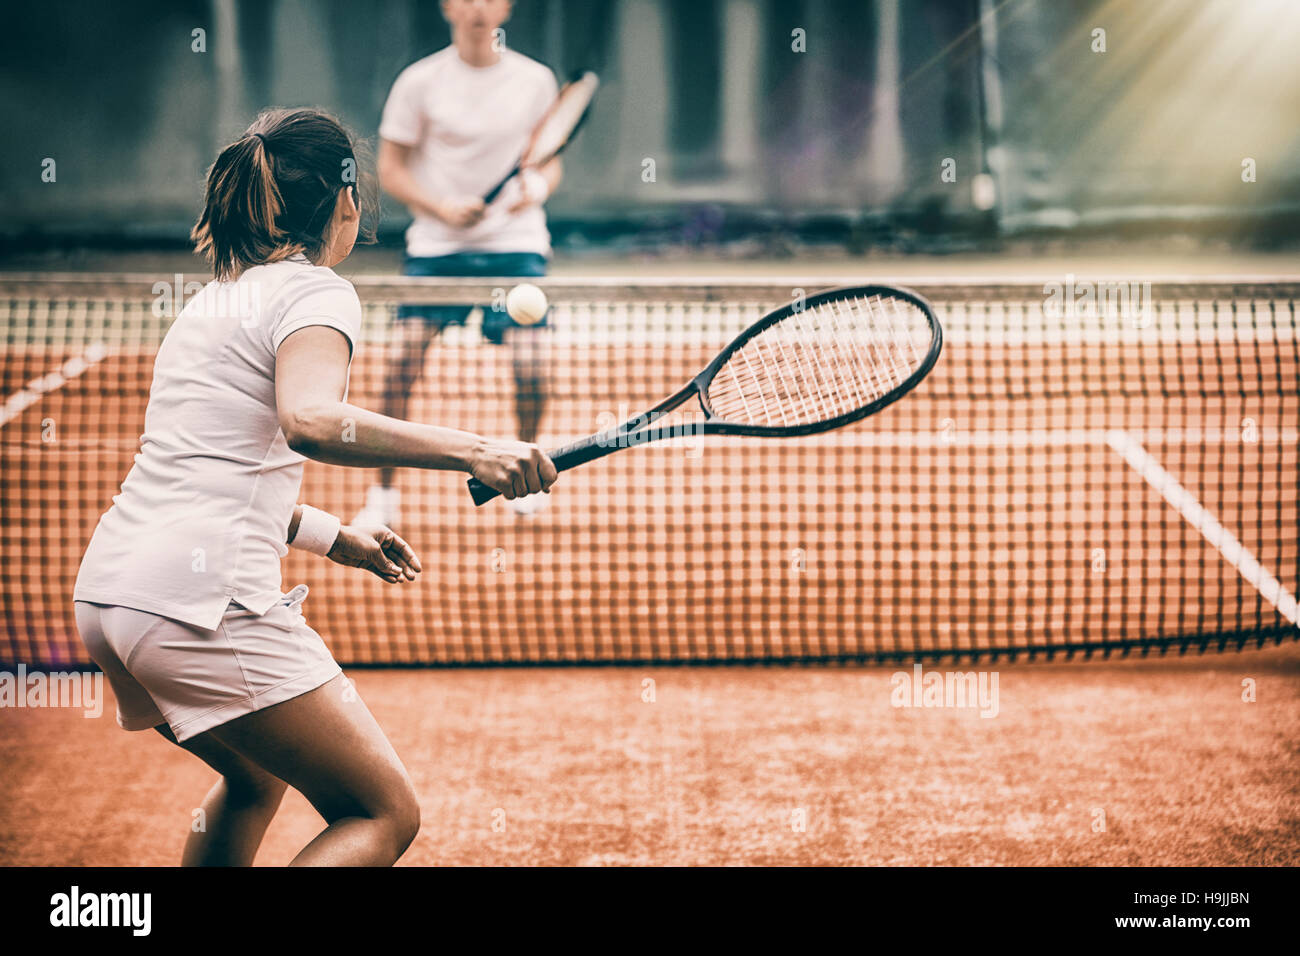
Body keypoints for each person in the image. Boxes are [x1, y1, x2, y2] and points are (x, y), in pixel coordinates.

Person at [72, 107, 556, 866]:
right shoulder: (315, 293)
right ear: (347, 199)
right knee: (381, 812)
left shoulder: (213, 300)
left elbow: (212, 467)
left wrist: (336, 537)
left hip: (112, 599)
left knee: (255, 778)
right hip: (199, 609)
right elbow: (311, 421)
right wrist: (477, 449)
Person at [355, 0, 561, 523]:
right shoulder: (419, 82)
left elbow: (547, 159)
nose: (477, 7)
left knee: (532, 367)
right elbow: (392, 168)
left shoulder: (536, 81)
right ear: (447, 6)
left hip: (515, 246)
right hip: (438, 251)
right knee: (399, 366)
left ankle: (527, 469)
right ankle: (381, 495)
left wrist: (534, 186)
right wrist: (441, 207)